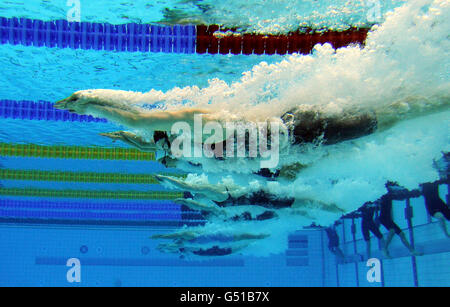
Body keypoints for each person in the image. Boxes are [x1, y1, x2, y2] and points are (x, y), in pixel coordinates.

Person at [155, 174, 345, 214]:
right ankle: (335, 195)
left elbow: (195, 195)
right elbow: (196, 199)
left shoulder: (216, 197)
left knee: (303, 201)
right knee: (302, 197)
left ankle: (336, 205)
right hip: (265, 196)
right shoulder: (215, 198)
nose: (197, 196)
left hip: (266, 199)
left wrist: (172, 184)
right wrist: (168, 181)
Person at [378, 181, 423, 258]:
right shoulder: (385, 194)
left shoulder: (388, 194)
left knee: (401, 234)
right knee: (392, 231)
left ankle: (412, 251)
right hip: (384, 218)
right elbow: (395, 192)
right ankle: (384, 249)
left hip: (387, 218)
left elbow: (396, 193)